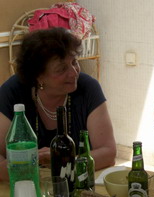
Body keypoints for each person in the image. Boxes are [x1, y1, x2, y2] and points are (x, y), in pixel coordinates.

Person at [0, 27, 117, 181]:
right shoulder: (13, 92)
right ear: (39, 76)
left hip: (78, 183)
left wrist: (63, 161)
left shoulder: (88, 88)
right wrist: (26, 165)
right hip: (29, 183)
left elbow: (108, 153)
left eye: (74, 62)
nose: (74, 72)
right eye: (61, 69)